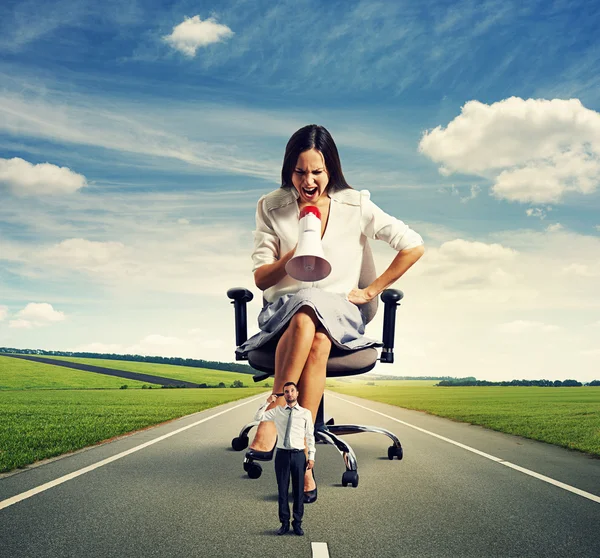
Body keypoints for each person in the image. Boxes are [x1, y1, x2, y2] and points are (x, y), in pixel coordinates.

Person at [238, 124, 424, 502]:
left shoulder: (355, 205)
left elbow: (413, 245)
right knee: (309, 316)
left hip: (341, 312)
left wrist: (372, 290)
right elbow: (260, 279)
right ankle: (305, 456)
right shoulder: (271, 206)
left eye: (317, 172)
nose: (308, 181)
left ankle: (274, 413)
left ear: (331, 170)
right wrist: (294, 255)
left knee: (316, 311)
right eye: (300, 171)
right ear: (289, 170)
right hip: (284, 312)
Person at [254, 382, 315, 536]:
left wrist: (311, 456)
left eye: (292, 391)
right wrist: (268, 402)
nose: (289, 394)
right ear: (284, 395)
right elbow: (258, 417)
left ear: (297, 393)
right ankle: (284, 523)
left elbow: (310, 436)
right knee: (282, 491)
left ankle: (298, 523)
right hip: (282, 455)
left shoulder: (305, 413)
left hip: (298, 455)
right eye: (286, 392)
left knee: (298, 491)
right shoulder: (277, 411)